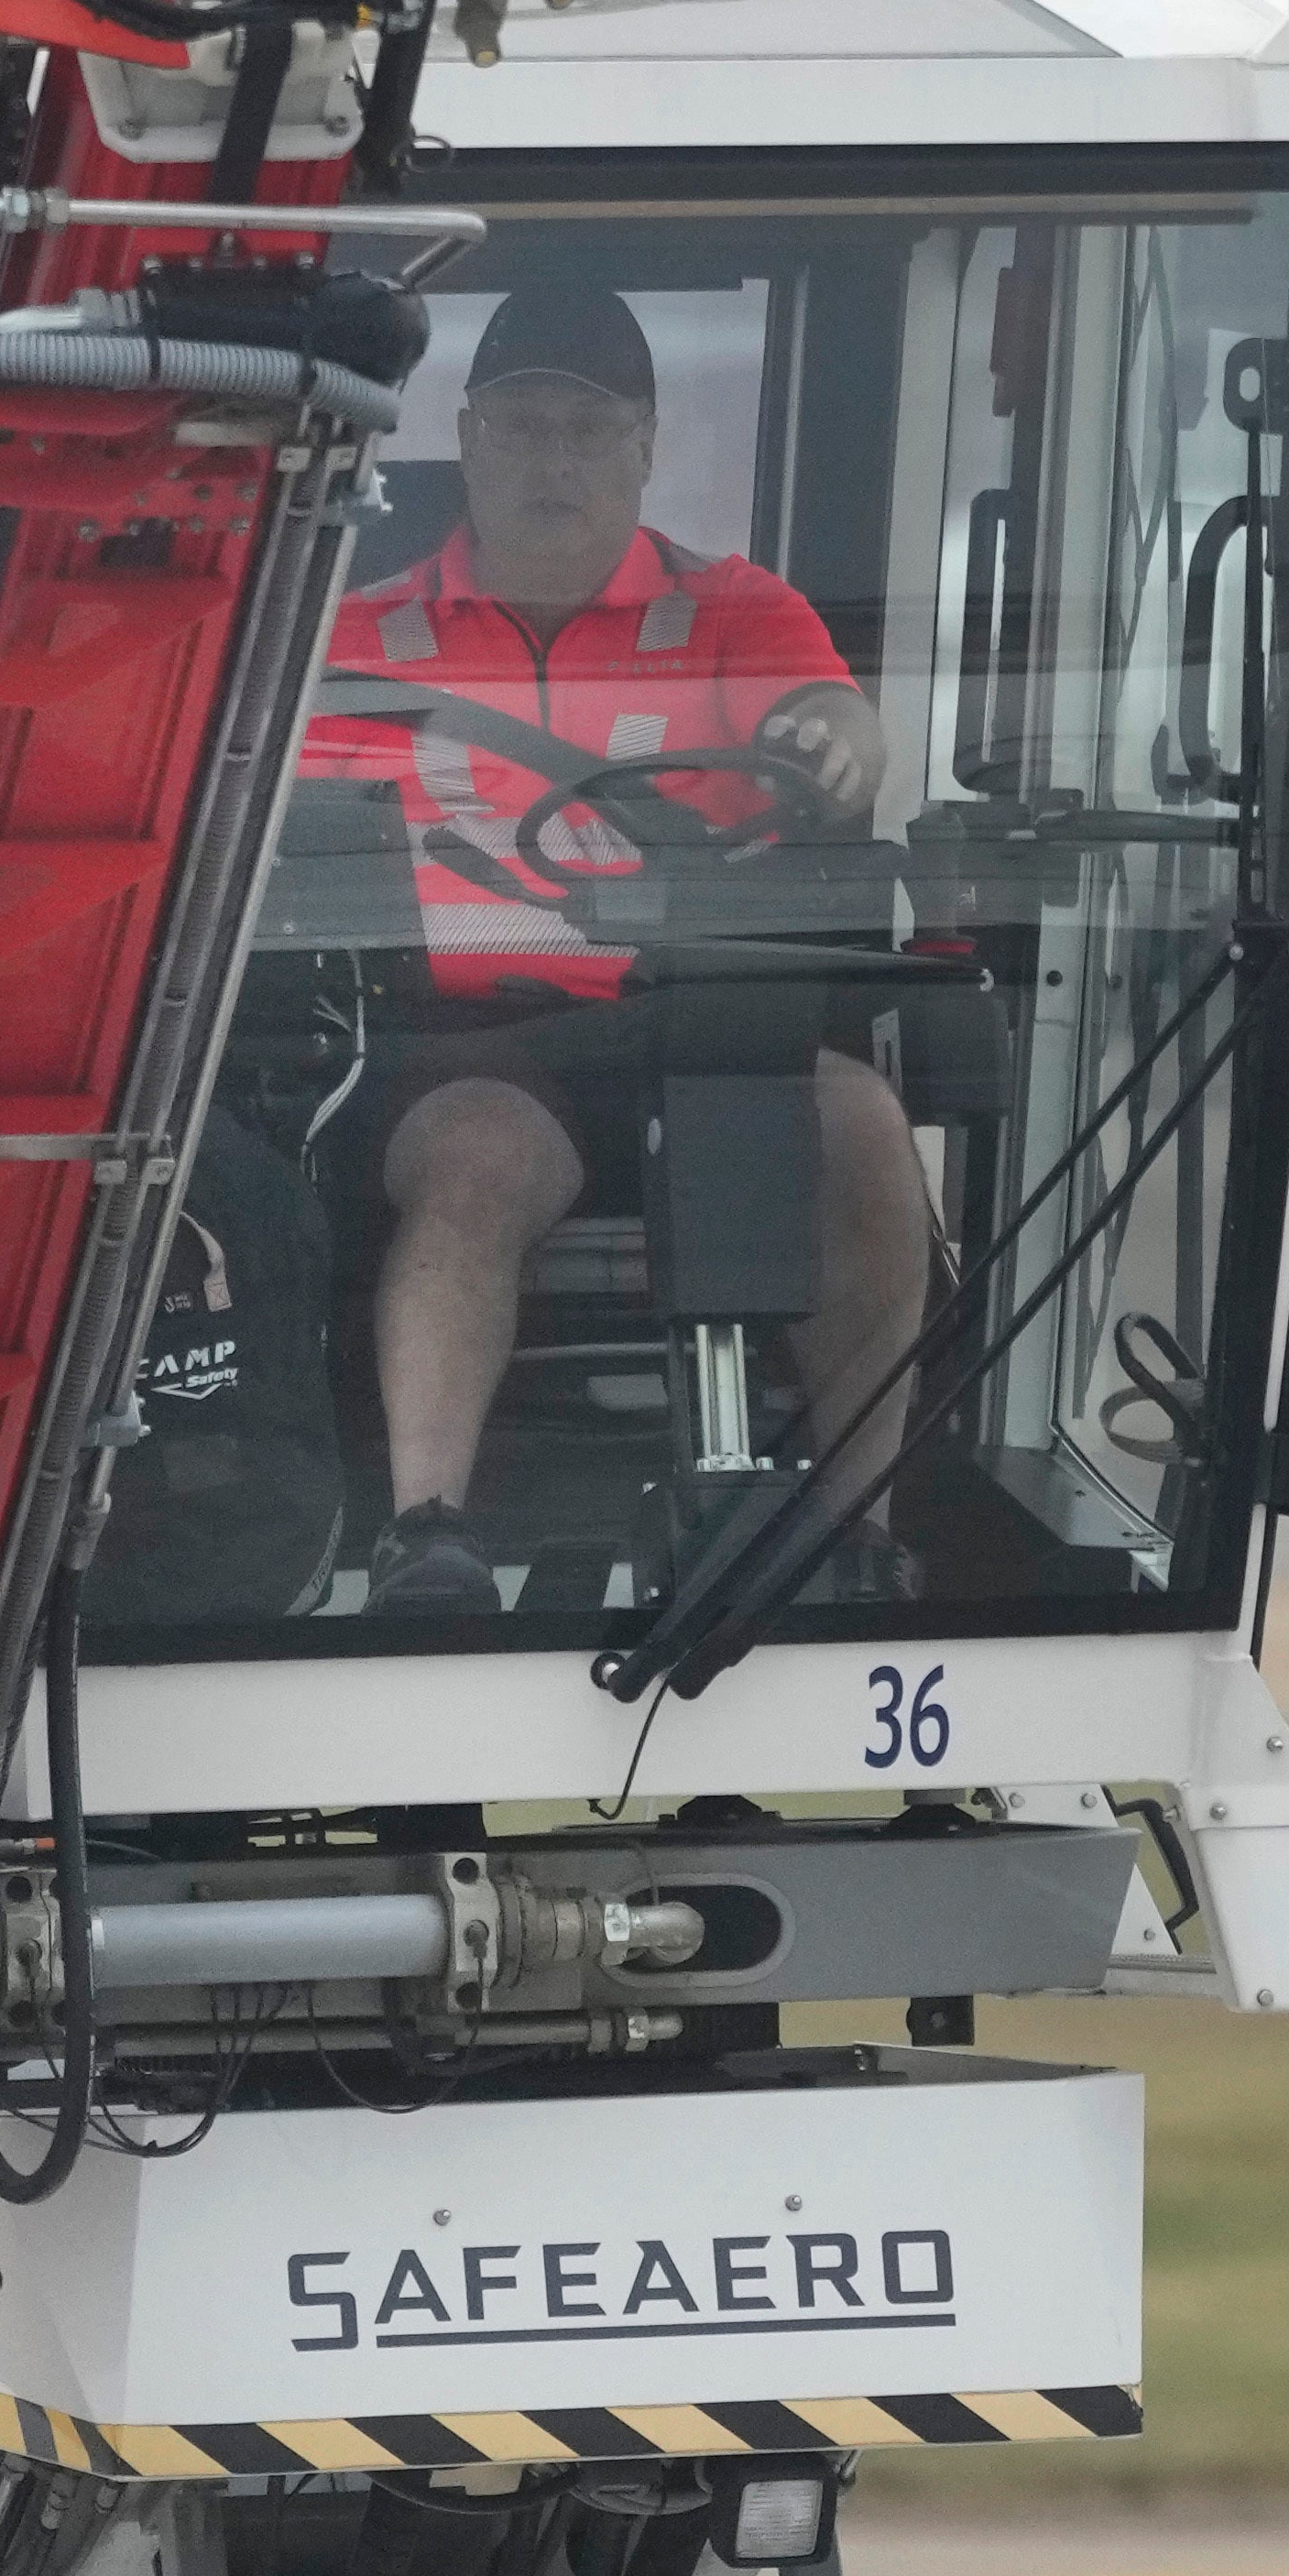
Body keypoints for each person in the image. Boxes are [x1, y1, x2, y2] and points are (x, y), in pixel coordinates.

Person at [301, 281, 937, 1616]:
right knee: (475, 1151)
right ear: (466, 439)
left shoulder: (732, 608)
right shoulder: (354, 637)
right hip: (466, 1043)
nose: (555, 460)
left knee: (864, 1123)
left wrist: (833, 746)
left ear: (645, 448)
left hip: (694, 1023)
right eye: (524, 427)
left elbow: (833, 720)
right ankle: (429, 1536)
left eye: (589, 433)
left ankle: (861, 1531)